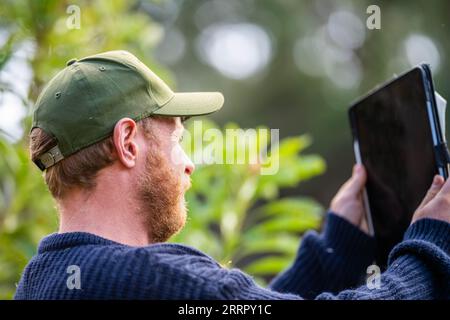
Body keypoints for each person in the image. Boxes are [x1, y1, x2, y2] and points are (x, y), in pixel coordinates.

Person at [14, 51, 449, 300]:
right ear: (128, 143)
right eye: (177, 141)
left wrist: (335, 247)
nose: (189, 164)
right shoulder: (156, 277)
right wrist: (431, 242)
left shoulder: (40, 280)